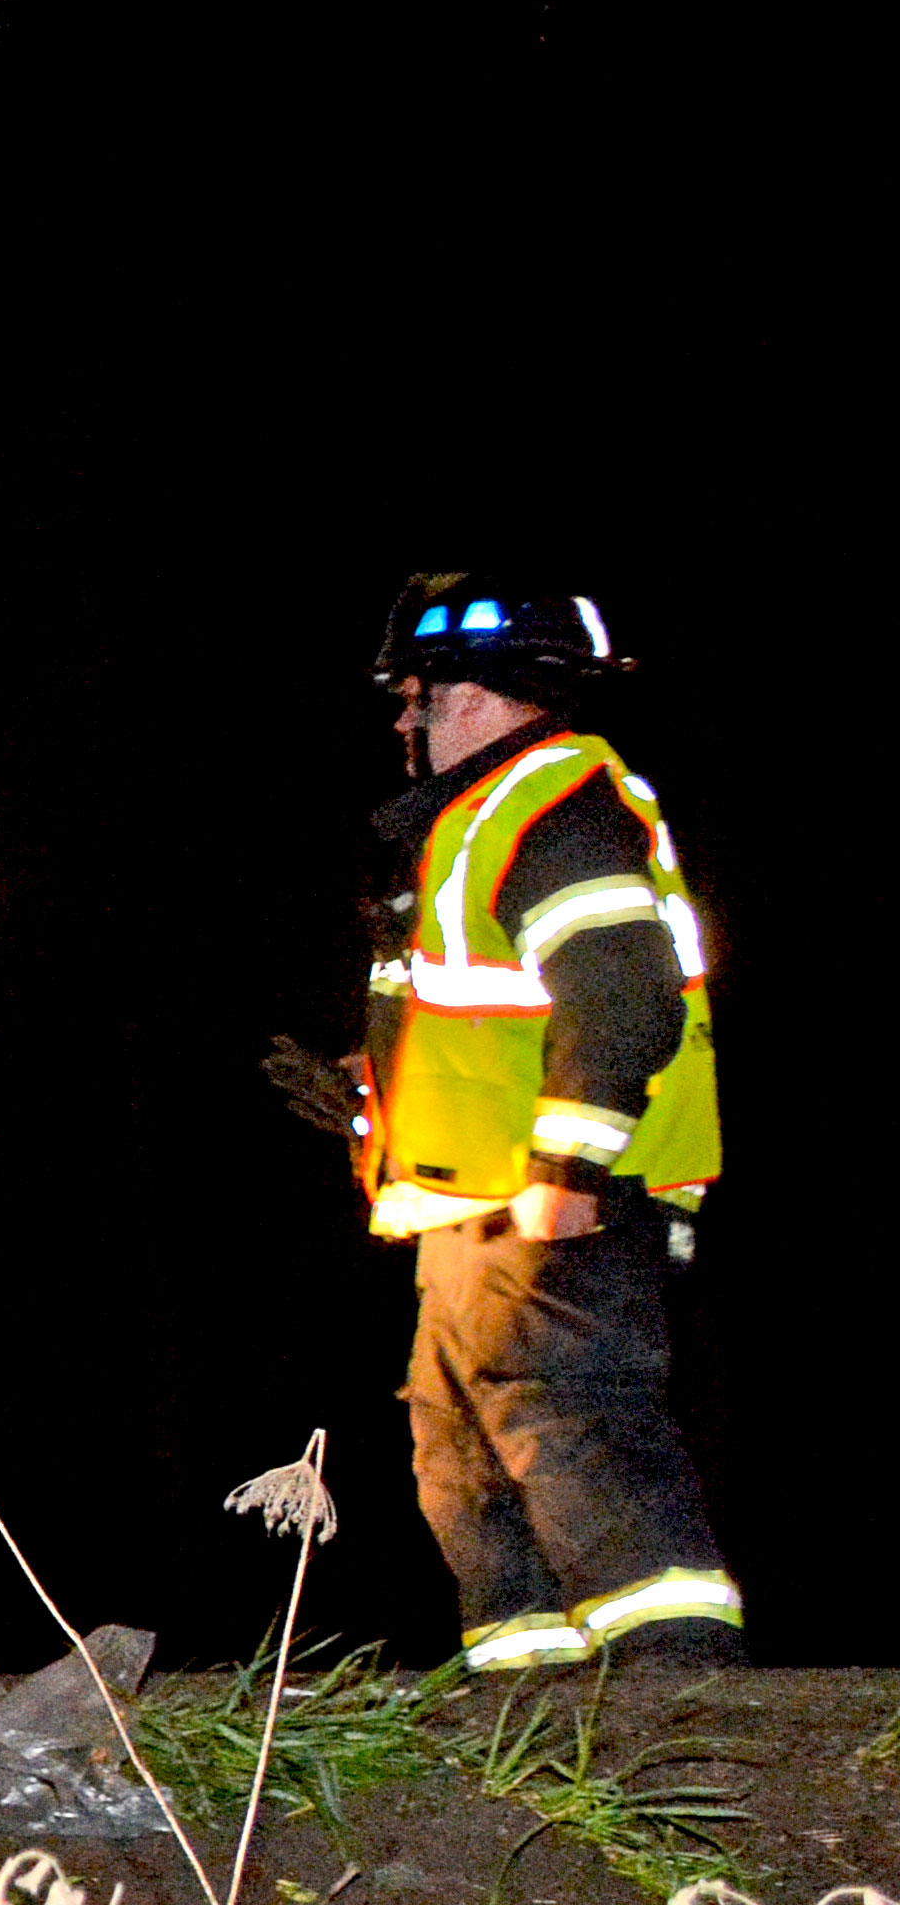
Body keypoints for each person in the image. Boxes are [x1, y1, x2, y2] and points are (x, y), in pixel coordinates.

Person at [348, 576, 738, 1668]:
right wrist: (369, 1100)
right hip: (478, 1210)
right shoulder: (479, 819)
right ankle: (531, 1728)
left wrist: (569, 1164)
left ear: (475, 693)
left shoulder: (555, 802)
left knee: (581, 1448)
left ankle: (687, 1717)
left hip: (556, 1210)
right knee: (465, 1468)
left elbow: (621, 992)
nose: (403, 720)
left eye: (415, 695)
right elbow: (486, 1021)